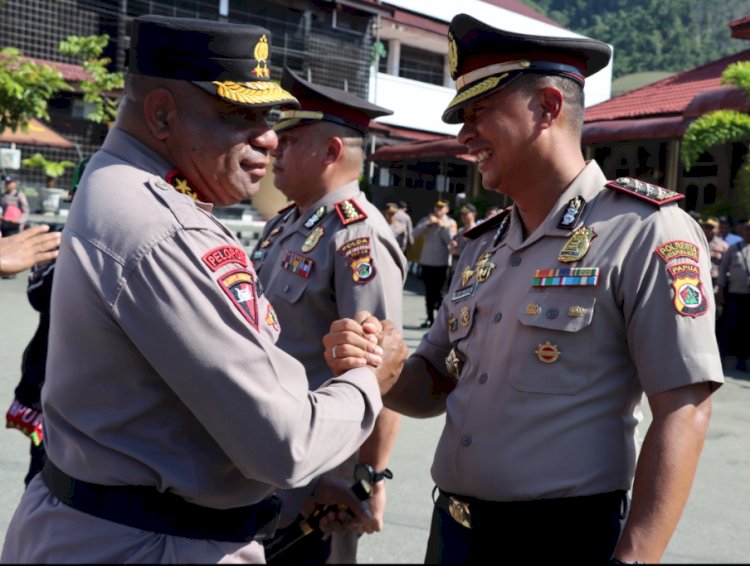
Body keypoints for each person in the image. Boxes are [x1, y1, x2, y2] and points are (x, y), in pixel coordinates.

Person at [1, 15, 408, 564]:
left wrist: (348, 473)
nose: (266, 137)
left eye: (268, 117)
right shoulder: (164, 226)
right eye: (238, 115)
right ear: (162, 113)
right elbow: (282, 444)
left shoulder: (121, 184)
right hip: (149, 542)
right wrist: (370, 381)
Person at [327, 14, 723, 564]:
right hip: (454, 535)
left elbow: (684, 408)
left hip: (562, 542)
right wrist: (384, 367)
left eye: (478, 112)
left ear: (547, 108)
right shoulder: (483, 246)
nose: (464, 135)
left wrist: (635, 558)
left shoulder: (644, 230)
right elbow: (437, 382)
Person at [251, 66, 406, 564]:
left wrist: (366, 477)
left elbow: (382, 370)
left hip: (318, 489)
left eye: (291, 140)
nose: (274, 148)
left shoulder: (356, 236)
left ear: (332, 152)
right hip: (266, 465)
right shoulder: (285, 225)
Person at [413, 199, 457, 328]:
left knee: (441, 294)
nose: (438, 209)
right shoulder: (427, 220)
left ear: (447, 209)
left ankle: (440, 321)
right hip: (427, 262)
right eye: (437, 207)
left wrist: (442, 226)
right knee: (428, 292)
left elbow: (451, 241)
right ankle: (429, 318)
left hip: (442, 264)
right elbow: (413, 234)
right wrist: (426, 224)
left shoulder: (450, 223)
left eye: (442, 207)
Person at [717, 220, 750, 372]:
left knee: (746, 329)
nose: (749, 232)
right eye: (747, 229)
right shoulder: (734, 248)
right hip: (735, 295)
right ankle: (723, 357)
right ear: (742, 231)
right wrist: (721, 291)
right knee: (730, 327)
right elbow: (723, 270)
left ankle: (743, 360)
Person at [448, 202, 477, 281]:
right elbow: (452, 247)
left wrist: (457, 251)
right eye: (462, 214)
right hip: (456, 267)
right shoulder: (460, 230)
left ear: (473, 214)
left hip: (468, 268)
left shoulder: (477, 230)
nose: (463, 216)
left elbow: (474, 251)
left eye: (466, 214)